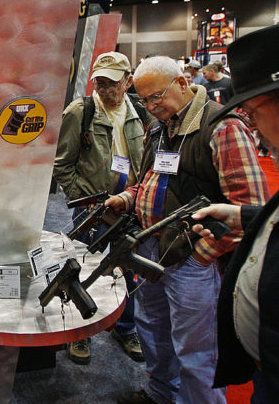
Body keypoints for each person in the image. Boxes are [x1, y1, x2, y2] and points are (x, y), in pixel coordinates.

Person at [105, 55, 269, 404]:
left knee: (196, 352)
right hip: (152, 250)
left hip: (194, 262)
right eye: (144, 100)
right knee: (153, 332)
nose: (150, 107)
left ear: (182, 84)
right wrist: (126, 198)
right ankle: (161, 393)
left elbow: (252, 211)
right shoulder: (159, 127)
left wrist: (198, 258)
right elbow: (149, 182)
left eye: (156, 97)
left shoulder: (223, 128)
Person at [190, 24, 279, 402]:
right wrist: (247, 217)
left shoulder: (223, 129)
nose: (252, 126)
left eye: (255, 112)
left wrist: (196, 257)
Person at [54, 51, 149, 365]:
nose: (106, 89)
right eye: (100, 82)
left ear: (127, 81)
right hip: (92, 208)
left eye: (112, 83)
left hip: (130, 205)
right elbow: (62, 164)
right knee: (82, 268)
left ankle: (125, 327)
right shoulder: (81, 111)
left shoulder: (139, 110)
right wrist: (84, 198)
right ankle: (79, 332)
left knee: (129, 268)